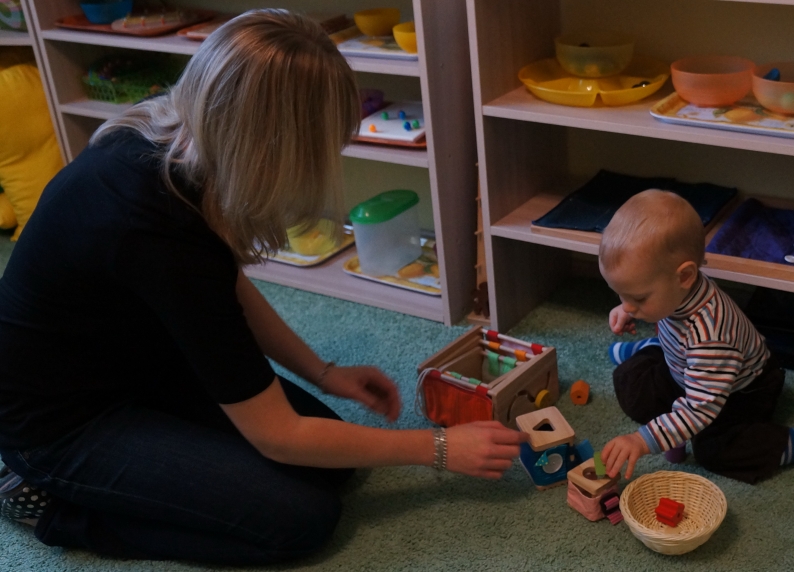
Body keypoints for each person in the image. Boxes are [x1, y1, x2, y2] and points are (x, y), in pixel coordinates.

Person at [0, 9, 525, 565]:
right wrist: (438, 447)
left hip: (138, 357)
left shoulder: (180, 146)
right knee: (300, 519)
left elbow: (223, 288)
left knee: (336, 462)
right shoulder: (161, 236)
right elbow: (278, 433)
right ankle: (50, 507)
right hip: (59, 423)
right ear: (273, 149)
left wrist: (323, 372)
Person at [596, 190, 794, 484]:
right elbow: (657, 308)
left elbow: (699, 410)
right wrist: (631, 308)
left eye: (637, 298)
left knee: (714, 449)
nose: (627, 305)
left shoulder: (710, 336)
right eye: (621, 294)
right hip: (686, 367)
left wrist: (641, 440)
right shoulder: (674, 290)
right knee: (629, 385)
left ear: (685, 276)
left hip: (741, 390)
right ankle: (656, 347)